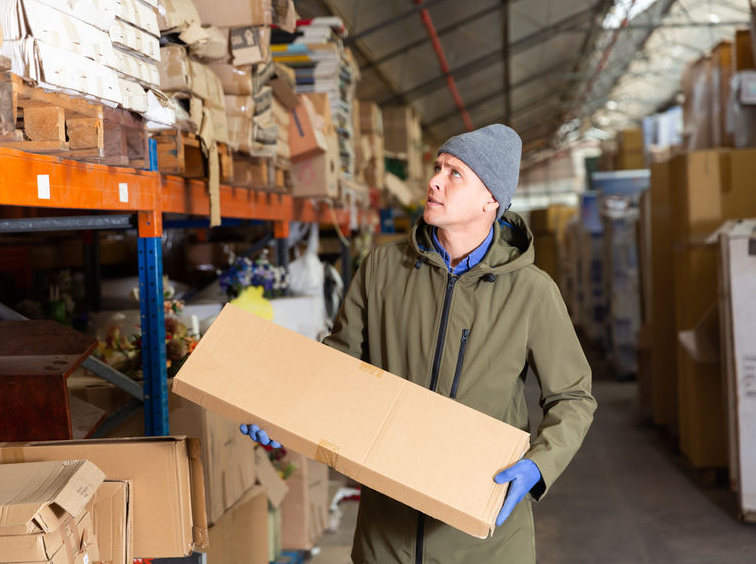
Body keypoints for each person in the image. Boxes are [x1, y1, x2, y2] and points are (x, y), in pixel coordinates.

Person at [242, 124, 596, 563]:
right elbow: (338, 366)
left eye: (455, 174)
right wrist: (284, 414)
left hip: (482, 539)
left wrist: (540, 464)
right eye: (438, 167)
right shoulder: (382, 269)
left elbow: (573, 397)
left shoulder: (530, 292)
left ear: (491, 200)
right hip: (386, 533)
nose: (434, 181)